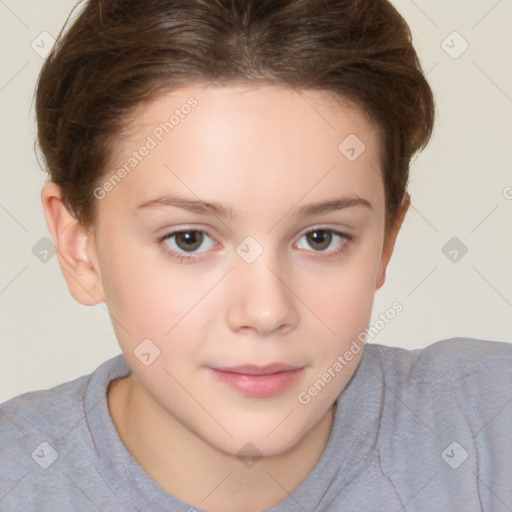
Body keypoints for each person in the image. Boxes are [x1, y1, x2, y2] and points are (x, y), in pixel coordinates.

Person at [1, 0, 511, 510]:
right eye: (189, 240)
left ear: (386, 241)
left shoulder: (491, 427)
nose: (266, 312)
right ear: (79, 248)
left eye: (320, 238)